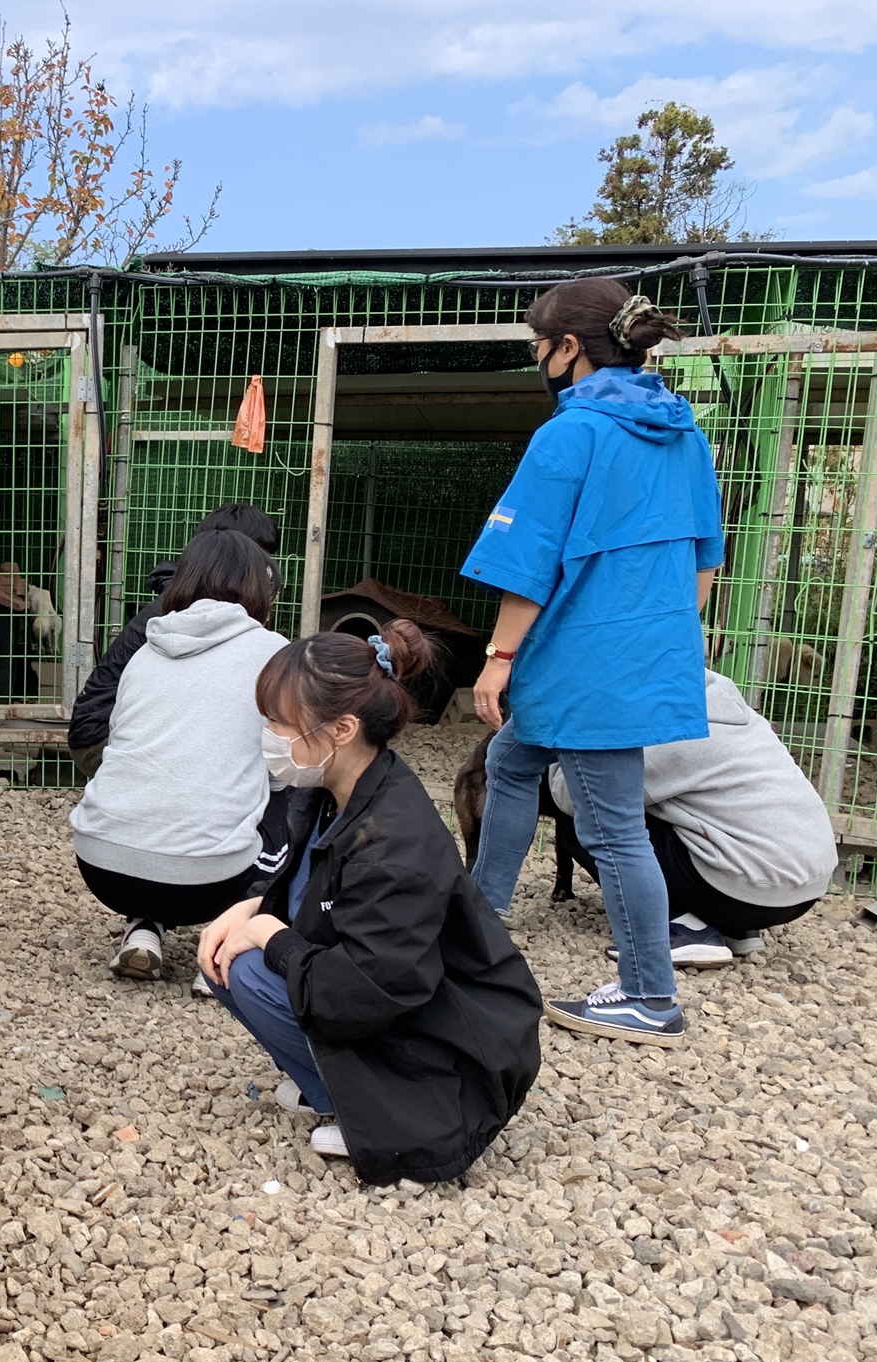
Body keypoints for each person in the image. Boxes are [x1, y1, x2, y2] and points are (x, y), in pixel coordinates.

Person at [462, 279, 723, 1047]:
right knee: (510, 763)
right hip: (640, 655)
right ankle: (480, 920)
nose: (536, 359)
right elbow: (705, 560)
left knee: (613, 832)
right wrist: (654, 639)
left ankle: (650, 995)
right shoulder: (685, 435)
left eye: (537, 346)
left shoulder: (570, 435)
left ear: (568, 349)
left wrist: (497, 658)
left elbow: (526, 562)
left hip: (582, 664)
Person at [197, 623, 542, 1183]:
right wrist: (254, 906)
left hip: (453, 1046)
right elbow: (314, 890)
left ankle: (386, 1111)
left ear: (341, 728)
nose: (269, 735)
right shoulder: (335, 788)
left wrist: (267, 934)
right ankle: (332, 1085)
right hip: (402, 994)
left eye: (280, 722)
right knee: (225, 951)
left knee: (253, 965)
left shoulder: (392, 842)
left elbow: (369, 987)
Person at [69, 531, 288, 982]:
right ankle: (229, 951)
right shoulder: (275, 654)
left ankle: (144, 927)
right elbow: (283, 765)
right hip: (208, 883)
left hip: (103, 866)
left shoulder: (147, 649)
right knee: (294, 793)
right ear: (257, 587)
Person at [549, 667, 837, 965]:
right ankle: (735, 927)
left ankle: (685, 925)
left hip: (750, 889)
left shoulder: (676, 729)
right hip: (806, 887)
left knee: (590, 817)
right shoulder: (733, 712)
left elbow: (577, 795)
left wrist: (560, 753)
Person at [67, 504, 281, 779]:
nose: (266, 573)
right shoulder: (187, 613)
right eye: (260, 559)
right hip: (100, 738)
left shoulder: (189, 601)